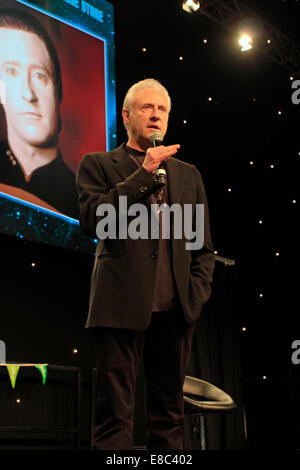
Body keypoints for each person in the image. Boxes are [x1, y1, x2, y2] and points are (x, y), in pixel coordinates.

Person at [76, 78, 215, 450]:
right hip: (118, 310)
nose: (155, 115)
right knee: (114, 417)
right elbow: (97, 221)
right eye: (146, 108)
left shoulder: (188, 175)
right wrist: (144, 174)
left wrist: (195, 295)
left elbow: (202, 247)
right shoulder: (99, 164)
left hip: (175, 314)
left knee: (169, 417)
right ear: (126, 116)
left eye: (162, 109)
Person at [0, 8, 79, 219]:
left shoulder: (84, 198)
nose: (28, 94)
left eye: (39, 75)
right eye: (11, 72)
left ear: (58, 89)